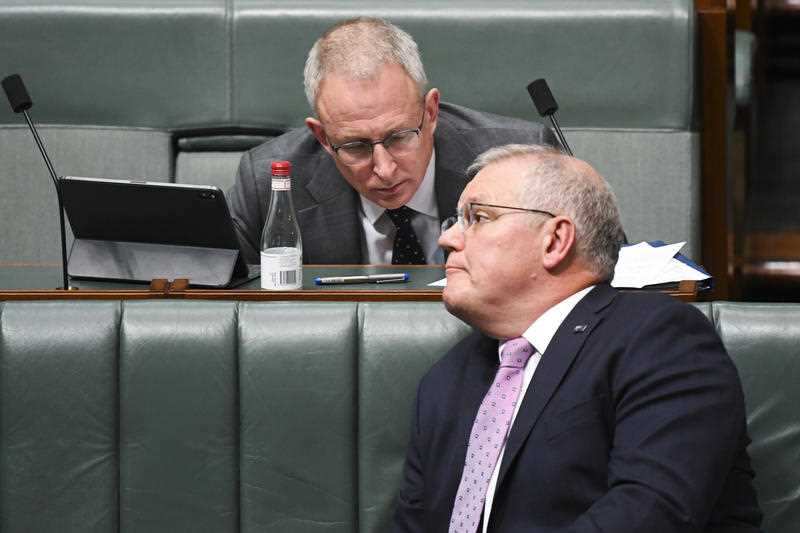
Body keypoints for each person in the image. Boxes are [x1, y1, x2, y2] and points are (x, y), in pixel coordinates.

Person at [392, 144, 762, 532]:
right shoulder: (446, 380)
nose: (448, 238)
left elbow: (649, 513)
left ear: (555, 240)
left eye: (478, 217)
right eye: (454, 220)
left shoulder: (660, 341)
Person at [228, 17, 556, 265]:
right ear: (323, 137)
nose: (384, 169)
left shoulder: (519, 161)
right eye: (356, 146)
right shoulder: (268, 182)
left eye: (399, 138)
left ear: (430, 112)